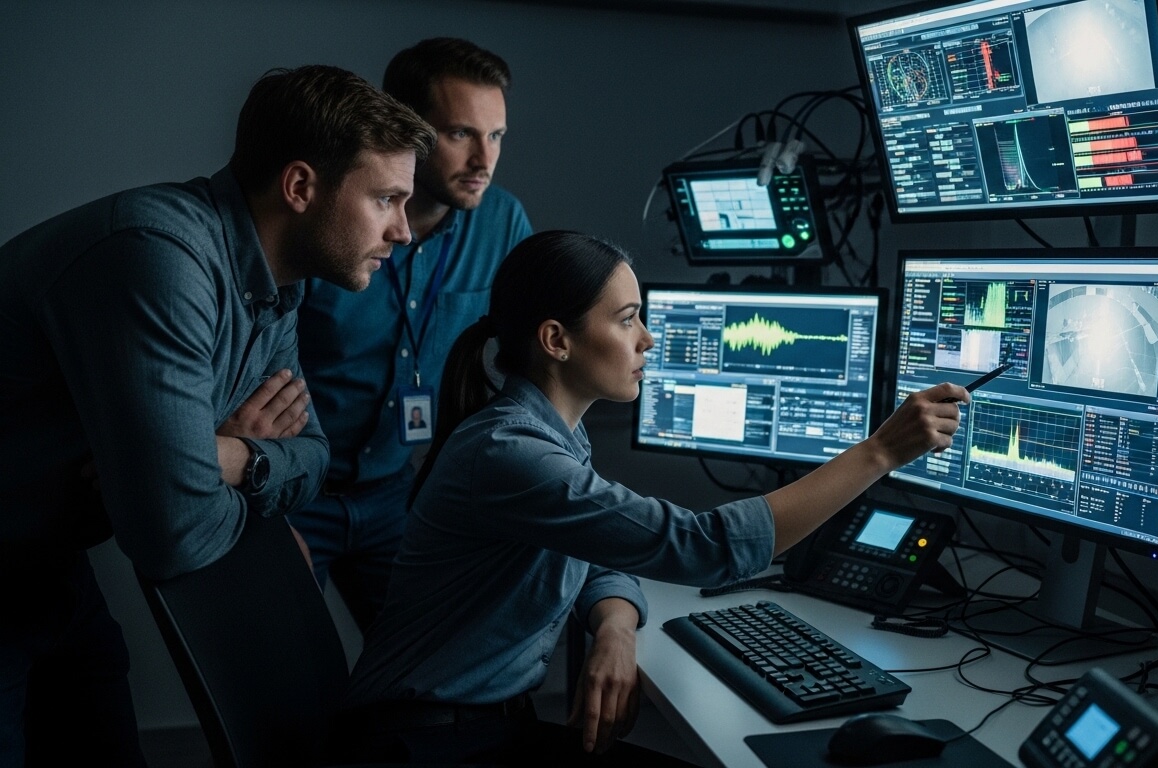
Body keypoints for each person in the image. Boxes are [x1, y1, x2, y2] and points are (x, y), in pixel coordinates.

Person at [339, 231, 968, 765]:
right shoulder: (513, 453)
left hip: (469, 725)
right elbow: (704, 548)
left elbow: (592, 544)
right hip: (426, 744)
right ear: (557, 340)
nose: (647, 339)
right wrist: (879, 452)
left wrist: (615, 625)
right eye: (626, 319)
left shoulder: (546, 431)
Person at [0, 65, 436, 766]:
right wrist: (180, 481)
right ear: (300, 187)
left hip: (52, 572)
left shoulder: (276, 290)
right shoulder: (157, 256)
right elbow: (174, 532)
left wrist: (229, 457)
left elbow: (315, 457)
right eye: (386, 199)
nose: (404, 231)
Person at [293, 37, 532, 629]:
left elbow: (530, 365)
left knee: (429, 670)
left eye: (496, 135)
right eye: (460, 134)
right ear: (404, 127)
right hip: (295, 496)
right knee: (286, 685)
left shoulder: (503, 223)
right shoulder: (332, 216)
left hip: (400, 494)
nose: (484, 159)